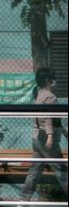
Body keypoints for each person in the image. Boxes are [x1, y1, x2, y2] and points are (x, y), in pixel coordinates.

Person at [21, 68, 68, 200]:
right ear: (48, 81)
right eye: (53, 78)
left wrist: (63, 132)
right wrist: (50, 136)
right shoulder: (50, 96)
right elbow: (47, 116)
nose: (56, 81)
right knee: (62, 170)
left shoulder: (39, 94)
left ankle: (24, 198)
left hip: (37, 137)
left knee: (35, 170)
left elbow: (54, 119)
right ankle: (25, 197)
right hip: (45, 138)